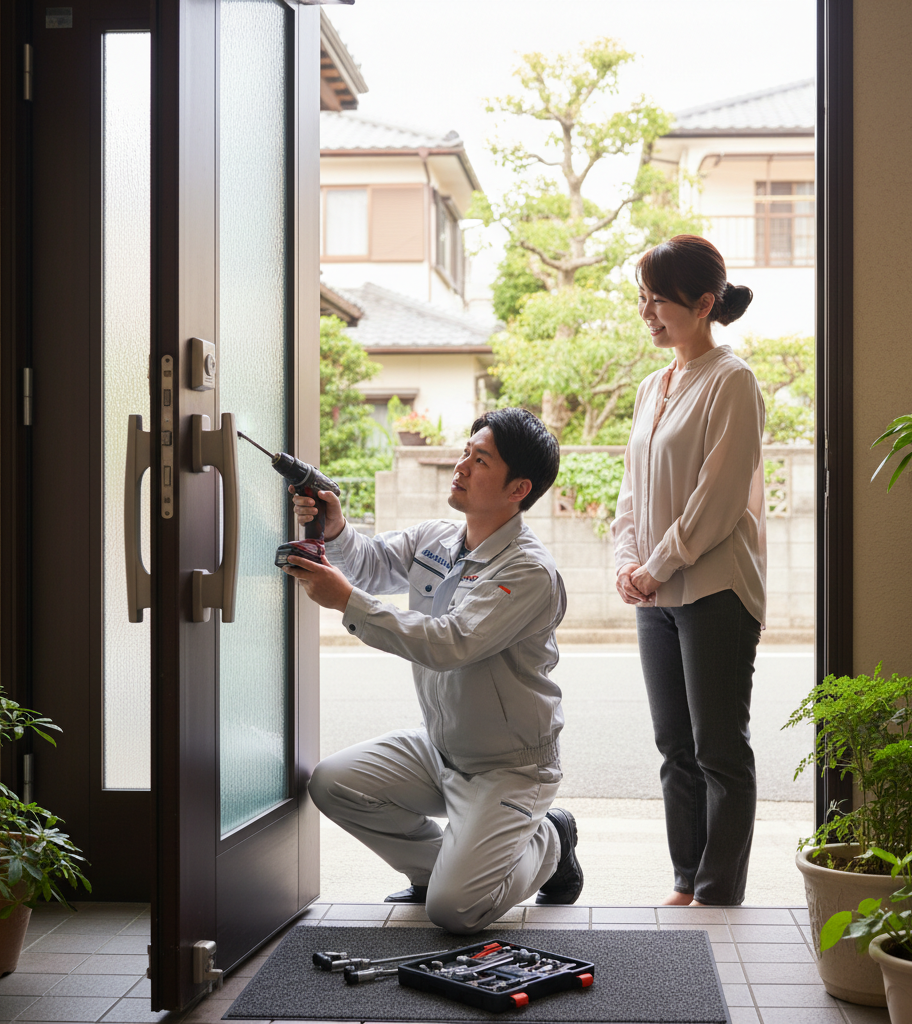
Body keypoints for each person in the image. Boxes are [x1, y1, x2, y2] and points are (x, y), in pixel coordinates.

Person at [282, 407, 583, 934]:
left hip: (508, 767)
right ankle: (437, 871)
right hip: (440, 748)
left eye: (480, 460)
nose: (461, 466)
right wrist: (336, 529)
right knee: (332, 783)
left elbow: (451, 643)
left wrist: (347, 602)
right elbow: (371, 561)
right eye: (466, 452)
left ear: (519, 489)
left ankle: (550, 840)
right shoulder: (436, 540)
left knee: (456, 912)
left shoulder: (527, 571)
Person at [611, 234, 766, 908]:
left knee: (718, 750)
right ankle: (685, 881)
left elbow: (719, 499)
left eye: (658, 300)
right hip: (656, 594)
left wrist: (656, 565)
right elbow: (631, 490)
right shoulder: (653, 386)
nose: (646, 312)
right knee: (674, 745)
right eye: (642, 298)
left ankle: (717, 892)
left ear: (703, 305)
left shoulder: (732, 380)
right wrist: (628, 561)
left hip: (714, 590)